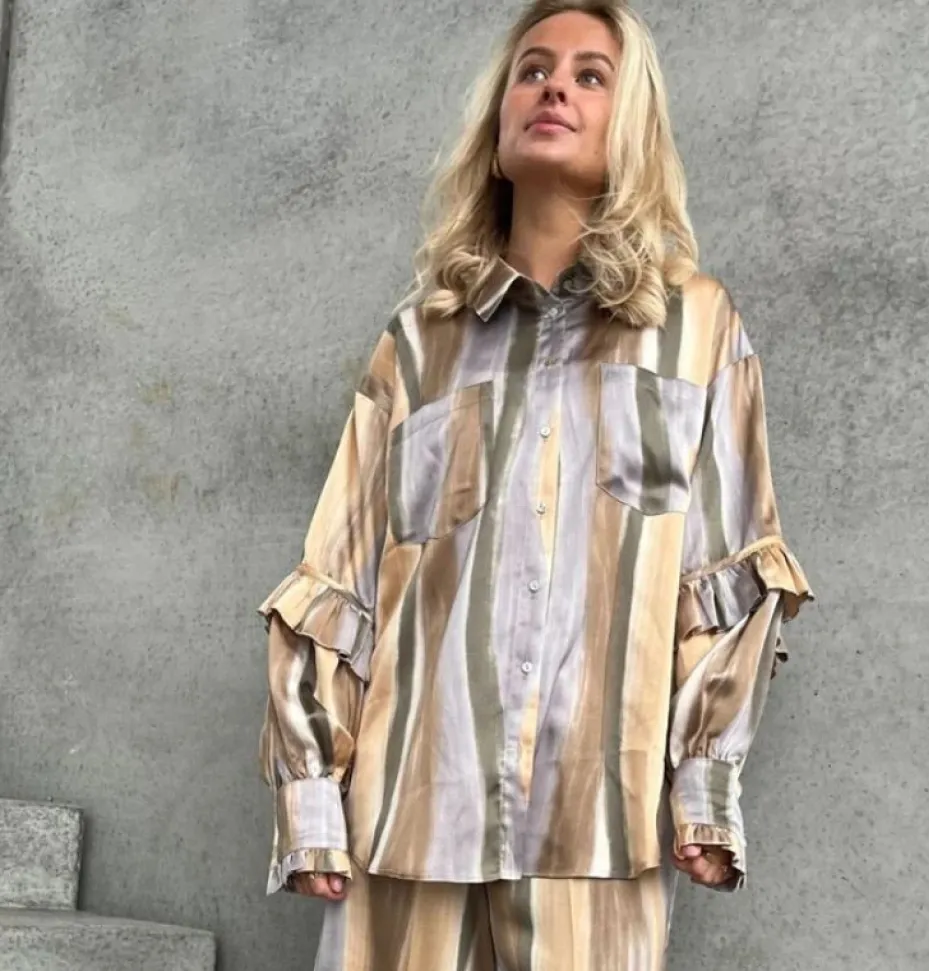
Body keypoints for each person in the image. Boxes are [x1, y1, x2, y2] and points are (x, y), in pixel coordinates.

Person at [256, 1, 813, 968]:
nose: (554, 87)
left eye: (591, 75)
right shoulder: (418, 344)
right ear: (498, 120)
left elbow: (724, 568)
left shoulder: (696, 326)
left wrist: (705, 783)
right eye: (533, 69)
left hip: (601, 827)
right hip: (407, 819)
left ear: (629, 119)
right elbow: (340, 572)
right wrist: (311, 793)